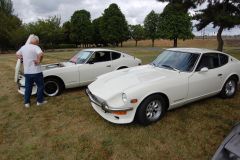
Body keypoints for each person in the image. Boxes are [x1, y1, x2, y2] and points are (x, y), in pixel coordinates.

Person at [16, 35, 47, 108]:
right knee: (40, 86)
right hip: (37, 72)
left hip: (27, 72)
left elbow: (17, 54)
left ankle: (26, 103)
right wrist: (38, 60)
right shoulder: (36, 47)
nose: (38, 43)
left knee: (28, 87)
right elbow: (41, 53)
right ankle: (39, 101)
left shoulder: (23, 47)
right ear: (36, 41)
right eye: (38, 42)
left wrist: (22, 58)